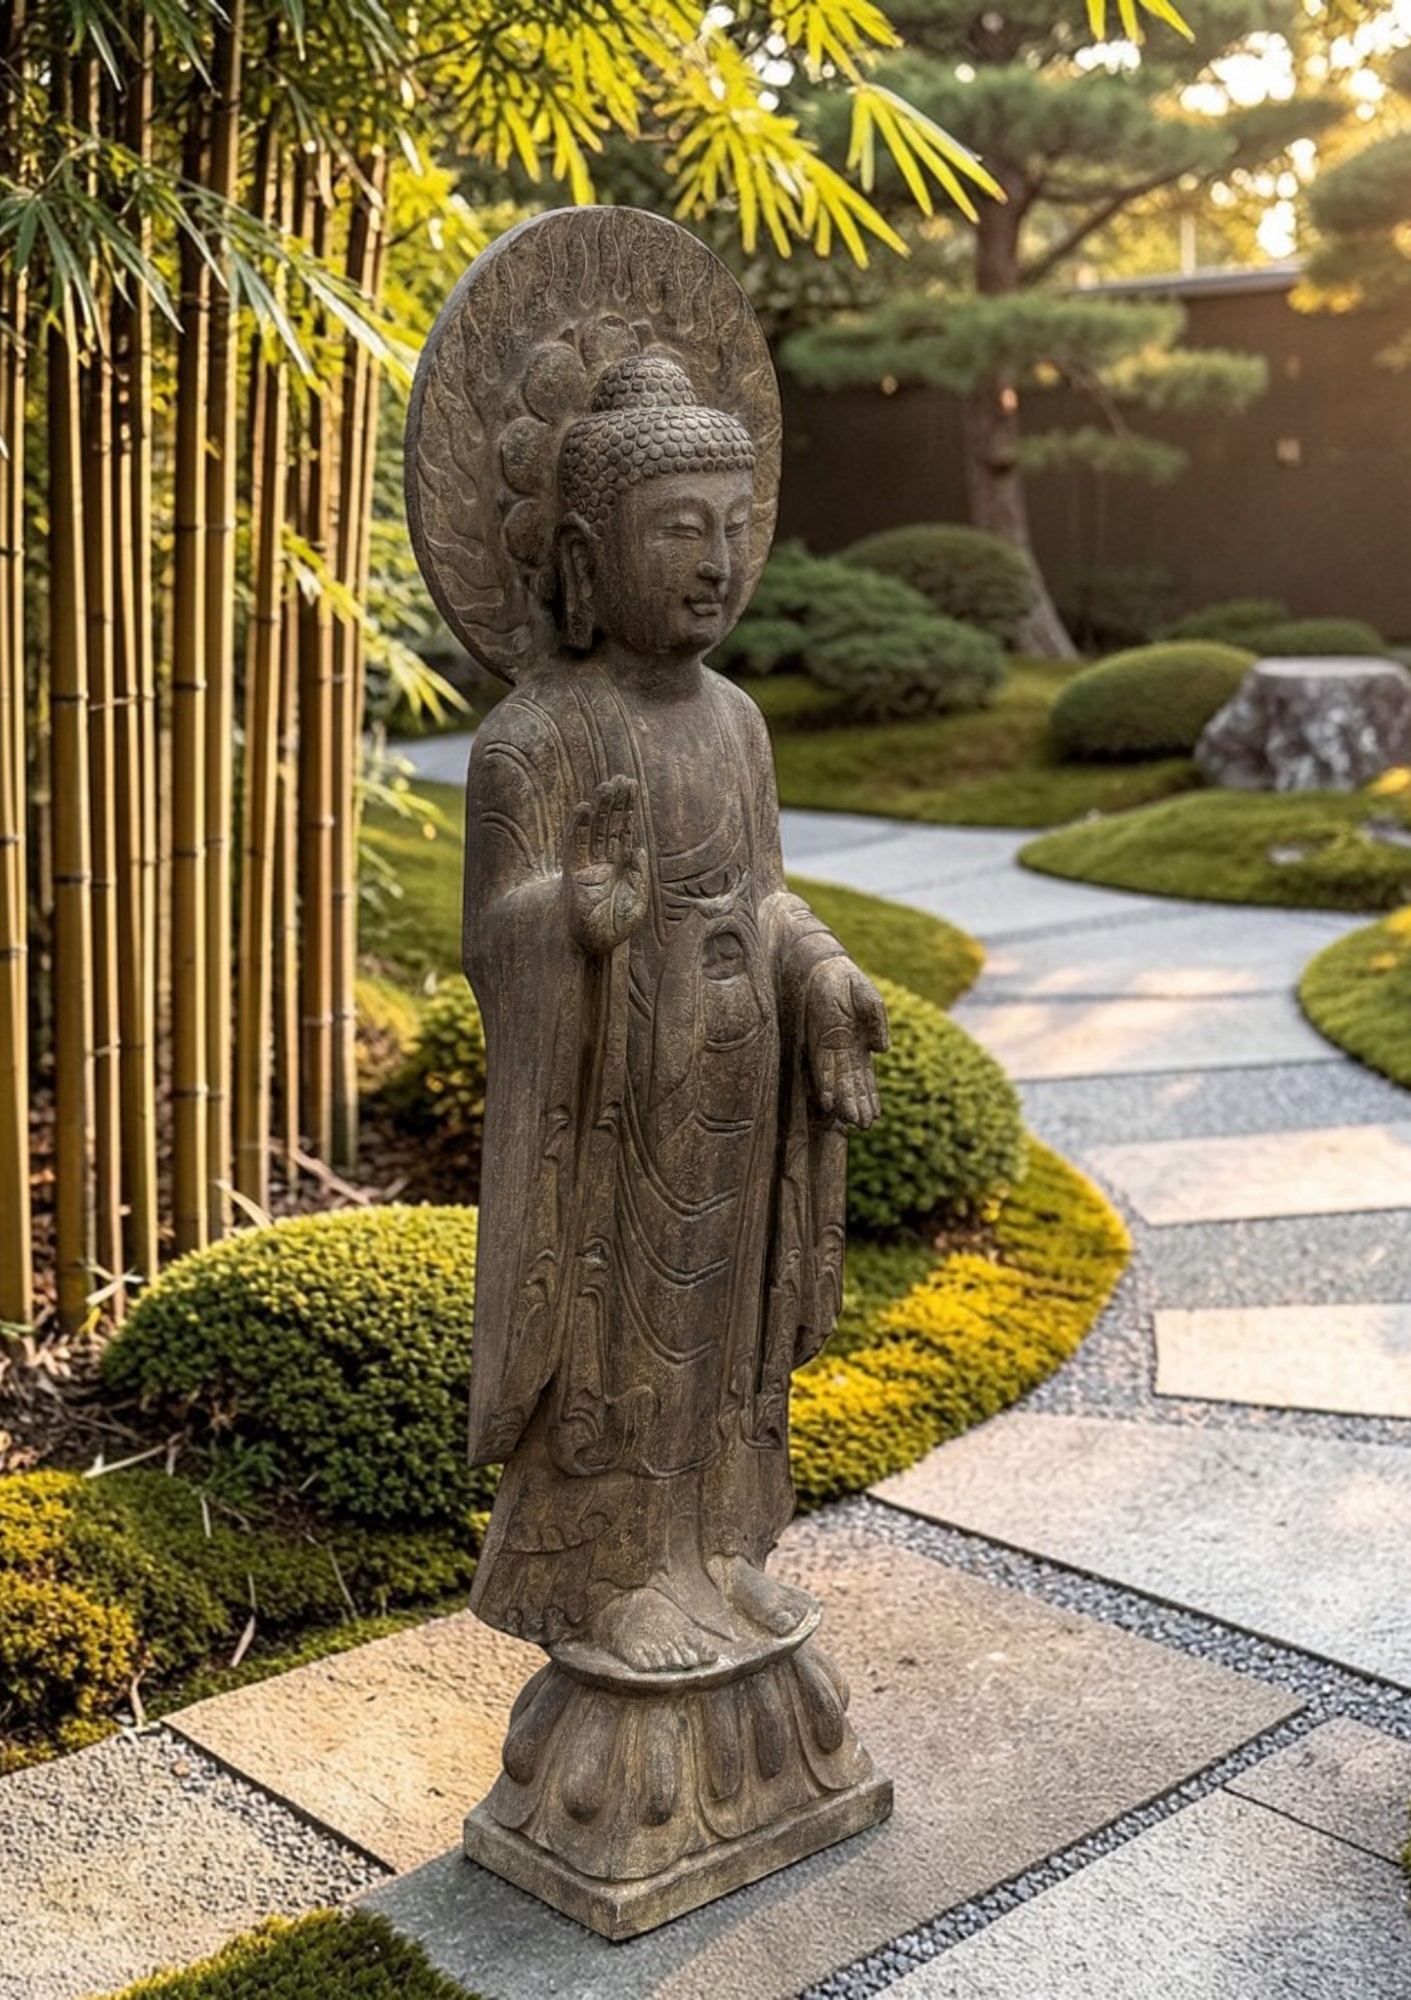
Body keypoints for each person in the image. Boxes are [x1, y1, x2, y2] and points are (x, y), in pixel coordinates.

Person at [462, 352, 890, 1676]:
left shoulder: (739, 726)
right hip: (611, 1105)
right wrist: (570, 919)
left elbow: (765, 897)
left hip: (736, 1086)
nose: (717, 563)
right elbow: (493, 937)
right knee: (619, 1334)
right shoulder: (536, 740)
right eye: (679, 529)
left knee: (725, 1330)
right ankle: (613, 1574)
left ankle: (716, 1543)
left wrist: (821, 973)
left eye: (735, 528)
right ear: (587, 556)